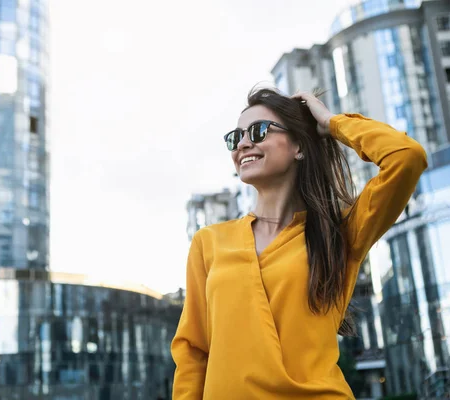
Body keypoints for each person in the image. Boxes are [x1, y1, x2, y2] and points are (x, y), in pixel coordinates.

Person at [171, 88, 428, 399]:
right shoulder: (209, 242)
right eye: (235, 137)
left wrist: (332, 123)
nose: (242, 144)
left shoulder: (340, 232)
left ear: (299, 147)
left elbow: (406, 157)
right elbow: (193, 351)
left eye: (259, 131)